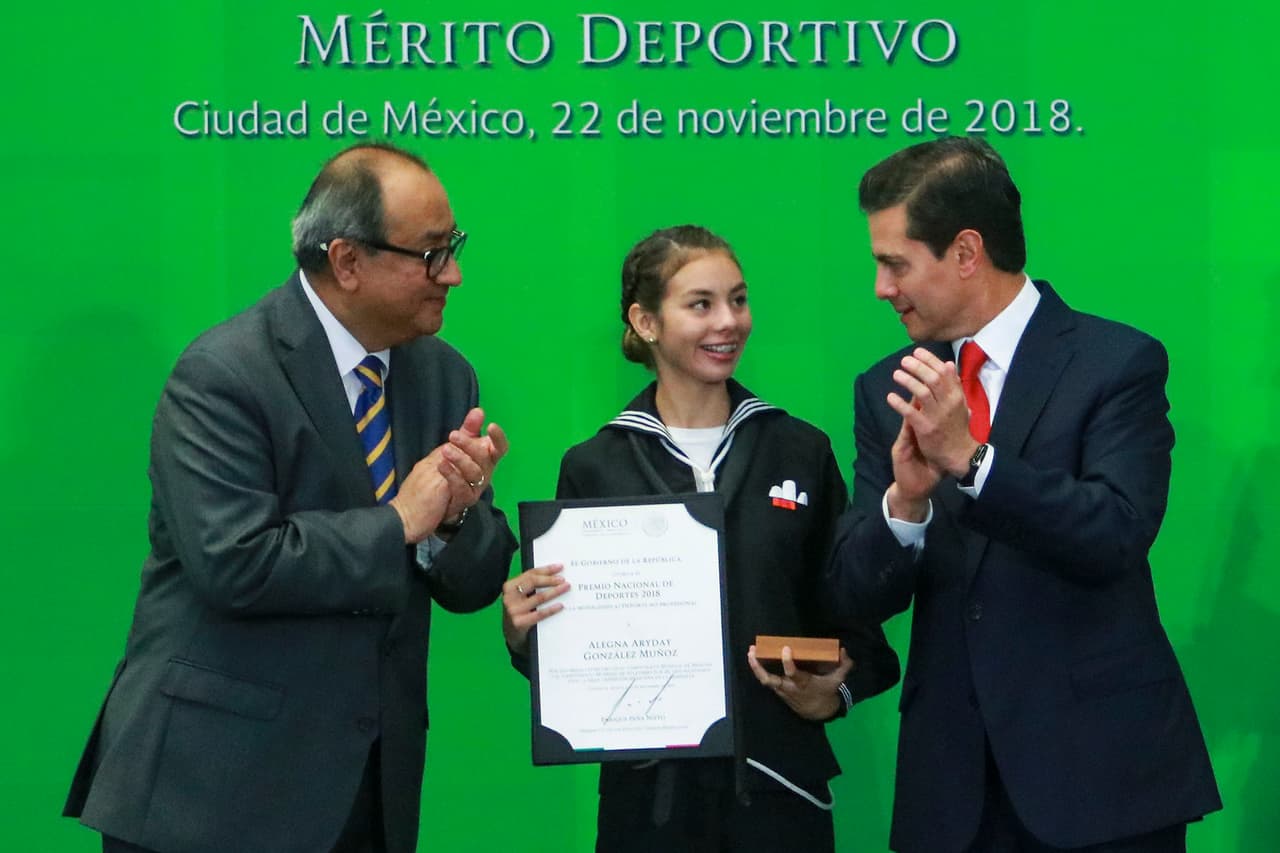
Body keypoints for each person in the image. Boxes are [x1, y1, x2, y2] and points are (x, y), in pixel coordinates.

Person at [63, 143, 518, 853]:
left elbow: (474, 581)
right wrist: (402, 519)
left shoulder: (444, 376)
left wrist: (454, 518)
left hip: (365, 787)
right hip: (214, 788)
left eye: (452, 247)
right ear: (347, 261)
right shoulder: (224, 373)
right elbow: (235, 560)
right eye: (431, 253)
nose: (452, 274)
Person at [827, 137, 1222, 852]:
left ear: (967, 252)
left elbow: (1115, 532)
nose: (882, 287)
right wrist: (906, 506)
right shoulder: (887, 387)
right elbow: (860, 592)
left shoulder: (1116, 363)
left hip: (1101, 780)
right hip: (951, 794)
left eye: (895, 263)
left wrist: (972, 462)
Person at [503, 225, 899, 852]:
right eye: (701, 304)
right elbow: (568, 658)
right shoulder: (594, 466)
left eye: (738, 300)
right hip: (647, 806)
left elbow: (858, 620)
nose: (729, 322)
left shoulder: (800, 450)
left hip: (780, 791)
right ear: (646, 321)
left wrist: (837, 692)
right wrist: (524, 631)